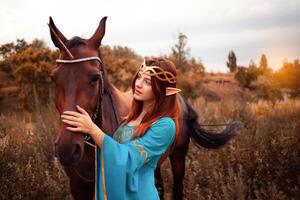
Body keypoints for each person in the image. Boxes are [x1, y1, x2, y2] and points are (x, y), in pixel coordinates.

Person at [61, 57, 182, 200]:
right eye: (139, 77)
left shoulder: (165, 125)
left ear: (163, 90)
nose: (139, 84)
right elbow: (112, 150)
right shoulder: (129, 119)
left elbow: (128, 158)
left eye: (147, 82)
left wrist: (93, 130)